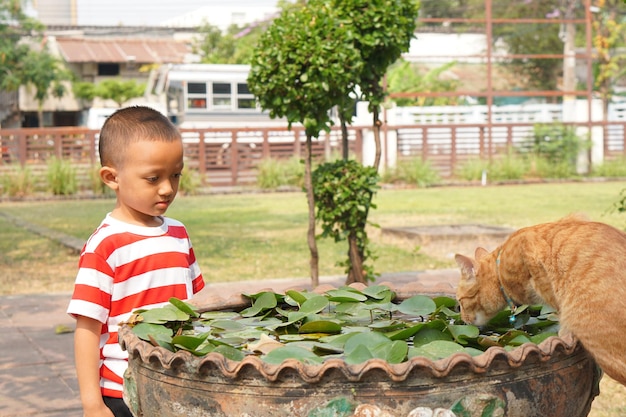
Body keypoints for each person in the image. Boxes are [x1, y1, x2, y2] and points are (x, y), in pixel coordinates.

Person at [67, 106, 205, 417]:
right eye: (153, 178)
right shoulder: (105, 245)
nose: (168, 188)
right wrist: (92, 404)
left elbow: (196, 306)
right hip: (123, 391)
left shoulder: (179, 234)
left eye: (175, 174)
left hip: (178, 383)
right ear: (111, 177)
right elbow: (87, 328)